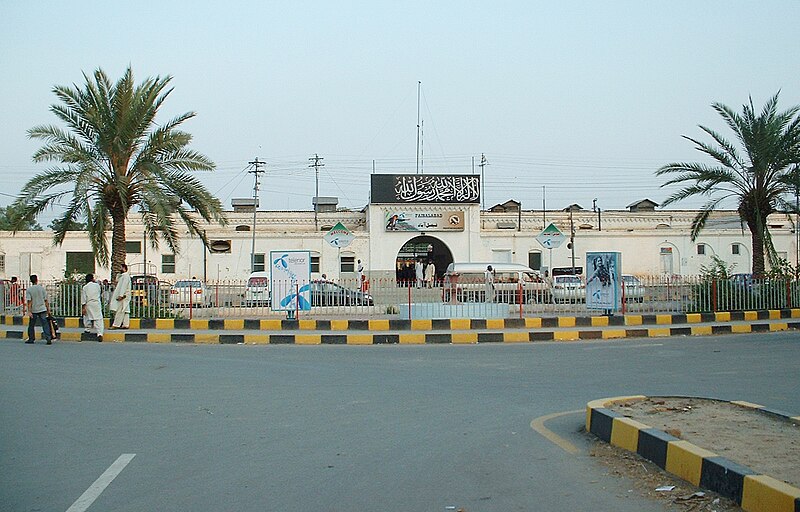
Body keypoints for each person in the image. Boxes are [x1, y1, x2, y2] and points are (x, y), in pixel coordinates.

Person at [25, 274, 52, 344]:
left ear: (31, 281)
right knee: (45, 324)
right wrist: (48, 310)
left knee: (31, 324)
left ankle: (31, 338)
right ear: (37, 280)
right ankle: (48, 338)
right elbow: (46, 300)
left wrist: (29, 311)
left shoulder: (29, 289)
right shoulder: (41, 288)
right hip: (42, 309)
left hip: (34, 309)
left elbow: (29, 301)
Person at [81, 273, 104, 342]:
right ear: (92, 279)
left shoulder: (85, 287)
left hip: (89, 303)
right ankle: (100, 333)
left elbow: (83, 298)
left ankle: (87, 329)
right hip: (96, 303)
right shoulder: (97, 286)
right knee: (98, 319)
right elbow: (100, 293)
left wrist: (83, 307)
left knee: (87, 316)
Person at [109, 264, 132, 329]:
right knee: (125, 310)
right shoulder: (123, 276)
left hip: (123, 296)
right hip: (124, 295)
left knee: (120, 310)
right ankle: (126, 324)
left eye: (120, 267)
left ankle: (116, 325)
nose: (119, 269)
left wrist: (121, 295)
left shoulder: (125, 276)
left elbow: (124, 286)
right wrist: (119, 274)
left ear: (124, 268)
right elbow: (117, 280)